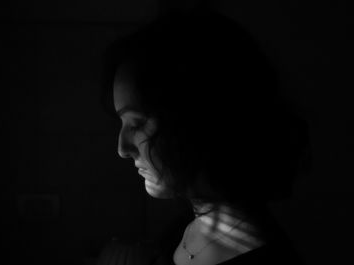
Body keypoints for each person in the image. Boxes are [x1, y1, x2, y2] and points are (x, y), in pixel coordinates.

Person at [100, 9, 312, 265]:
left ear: (199, 120)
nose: (122, 148)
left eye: (138, 123)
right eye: (122, 123)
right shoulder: (185, 229)